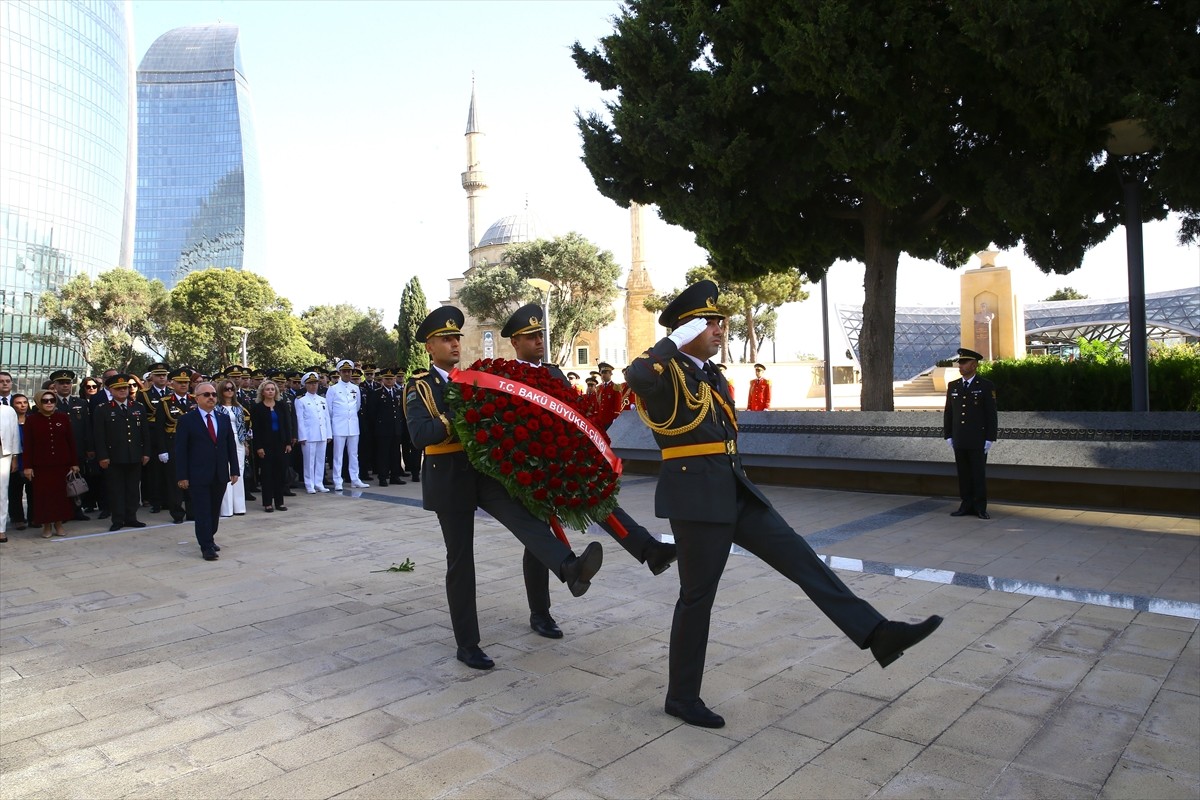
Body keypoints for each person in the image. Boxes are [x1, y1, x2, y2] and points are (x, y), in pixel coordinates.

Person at [625, 280, 943, 729]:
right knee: (697, 598)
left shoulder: (710, 375)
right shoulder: (666, 373)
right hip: (696, 501)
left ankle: (877, 634)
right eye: (710, 322)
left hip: (735, 491)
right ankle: (681, 697)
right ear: (687, 328)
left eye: (720, 321)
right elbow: (635, 376)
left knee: (803, 560)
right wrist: (673, 341)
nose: (720, 329)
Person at [405, 306, 603, 670]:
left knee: (528, 522)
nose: (454, 344)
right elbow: (420, 435)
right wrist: (457, 415)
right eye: (446, 339)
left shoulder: (472, 378)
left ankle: (569, 566)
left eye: (456, 338)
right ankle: (468, 644)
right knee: (461, 561)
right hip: (447, 477)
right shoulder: (420, 385)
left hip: (484, 472)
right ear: (430, 347)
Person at [502, 303, 677, 639]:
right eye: (531, 336)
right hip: (529, 468)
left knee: (602, 502)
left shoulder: (553, 373)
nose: (539, 341)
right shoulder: (507, 376)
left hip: (565, 458)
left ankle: (650, 551)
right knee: (538, 537)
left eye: (541, 334)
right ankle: (540, 612)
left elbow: (575, 411)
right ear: (515, 342)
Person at [175, 381, 240, 561]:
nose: (211, 397)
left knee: (213, 510)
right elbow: (180, 450)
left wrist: (234, 469)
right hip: (198, 474)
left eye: (213, 394)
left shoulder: (223, 418)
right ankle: (206, 546)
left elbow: (230, 446)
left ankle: (209, 536)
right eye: (206, 395)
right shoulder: (187, 420)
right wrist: (182, 475)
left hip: (219, 473)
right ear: (197, 398)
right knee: (202, 510)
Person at [943, 347, 998, 520]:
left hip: (978, 439)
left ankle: (980, 507)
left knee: (978, 474)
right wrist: (949, 435)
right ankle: (966, 504)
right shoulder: (954, 386)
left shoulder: (986, 386)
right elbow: (949, 413)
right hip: (960, 438)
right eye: (960, 362)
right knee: (964, 473)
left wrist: (990, 438)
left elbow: (991, 414)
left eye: (964, 362)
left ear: (974, 365)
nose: (960, 366)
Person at [92, 374, 152, 531]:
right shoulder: (103, 409)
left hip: (134, 455)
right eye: (118, 389)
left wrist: (146, 452)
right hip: (114, 457)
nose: (122, 391)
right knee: (116, 489)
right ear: (111, 390)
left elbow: (145, 433)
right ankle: (117, 519)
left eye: (125, 388)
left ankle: (131, 517)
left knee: (133, 489)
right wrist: (103, 456)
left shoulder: (137, 407)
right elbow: (99, 436)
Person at [21, 389, 82, 539]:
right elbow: (28, 445)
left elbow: (71, 442)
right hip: (41, 467)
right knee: (44, 497)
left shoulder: (63, 417)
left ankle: (59, 524)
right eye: (45, 400)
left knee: (60, 496)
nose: (49, 403)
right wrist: (27, 466)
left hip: (62, 465)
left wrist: (74, 463)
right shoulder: (32, 420)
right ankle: (46, 526)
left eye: (52, 400)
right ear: (38, 402)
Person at [155, 368, 194, 524]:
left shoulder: (194, 400)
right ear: (172, 384)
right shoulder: (165, 402)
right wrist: (162, 450)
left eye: (186, 382)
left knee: (193, 479)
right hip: (173, 443)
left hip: (192, 445)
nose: (184, 385)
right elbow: (159, 429)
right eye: (180, 382)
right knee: (175, 480)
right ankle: (177, 512)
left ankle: (193, 511)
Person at [251, 379, 293, 512]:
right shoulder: (257, 408)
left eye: (272, 389)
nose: (270, 391)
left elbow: (287, 425)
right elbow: (256, 429)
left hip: (280, 443)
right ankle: (267, 502)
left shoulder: (281, 406)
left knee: (280, 473)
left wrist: (288, 442)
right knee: (267, 474)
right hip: (265, 444)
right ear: (262, 392)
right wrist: (258, 446)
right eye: (267, 389)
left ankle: (279, 502)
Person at [326, 359, 368, 490]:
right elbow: (329, 409)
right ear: (339, 372)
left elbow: (357, 406)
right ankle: (338, 480)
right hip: (339, 426)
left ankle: (355, 478)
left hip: (353, 425)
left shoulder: (355, 388)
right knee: (338, 455)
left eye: (349, 371)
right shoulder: (333, 389)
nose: (347, 374)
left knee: (354, 454)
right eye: (344, 371)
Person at [215, 379, 251, 517]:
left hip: (239, 440)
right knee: (227, 471)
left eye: (231, 389)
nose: (229, 391)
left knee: (239, 471)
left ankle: (239, 506)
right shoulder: (216, 407)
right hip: (223, 440)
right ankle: (226, 508)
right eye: (226, 389)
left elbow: (243, 427)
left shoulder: (239, 407)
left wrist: (245, 443)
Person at [366, 367, 407, 487]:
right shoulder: (377, 393)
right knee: (383, 454)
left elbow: (402, 411)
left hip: (396, 428)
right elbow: (372, 412)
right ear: (382, 379)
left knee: (395, 453)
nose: (389, 381)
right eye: (387, 379)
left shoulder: (399, 393)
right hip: (383, 430)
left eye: (391, 379)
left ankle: (395, 476)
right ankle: (383, 477)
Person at [295, 372, 333, 493]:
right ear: (305, 385)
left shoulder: (322, 399)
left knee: (320, 460)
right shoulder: (301, 400)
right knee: (309, 461)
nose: (313, 386)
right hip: (309, 435)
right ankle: (309, 484)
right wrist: (302, 436)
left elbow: (327, 418)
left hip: (321, 433)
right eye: (310, 384)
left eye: (315, 383)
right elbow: (300, 420)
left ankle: (319, 482)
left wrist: (328, 434)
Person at [7, 395, 33, 532]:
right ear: (12, 405)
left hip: (31, 460)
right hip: (14, 460)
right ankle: (17, 519)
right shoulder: (9, 421)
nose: (22, 405)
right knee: (15, 492)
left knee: (32, 490)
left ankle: (33, 517)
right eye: (18, 403)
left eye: (25, 402)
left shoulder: (32, 420)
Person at [0, 394, 20, 542]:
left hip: (4, 454)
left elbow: (15, 435)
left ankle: (1, 529)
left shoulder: (8, 411)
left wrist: (14, 457)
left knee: (2, 493)